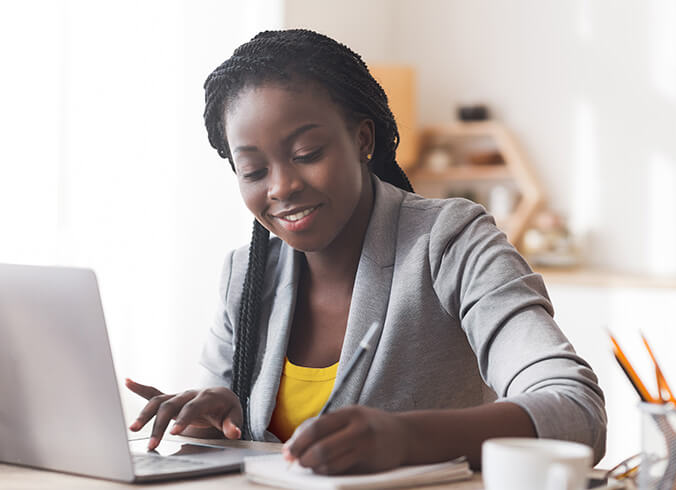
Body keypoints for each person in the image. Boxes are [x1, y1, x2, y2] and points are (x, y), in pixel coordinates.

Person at [126, 29, 606, 475]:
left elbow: (576, 409)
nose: (282, 187)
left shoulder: (450, 241)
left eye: (307, 153)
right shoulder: (247, 274)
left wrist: (407, 438)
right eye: (252, 171)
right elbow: (224, 442)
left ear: (362, 139)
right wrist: (205, 424)